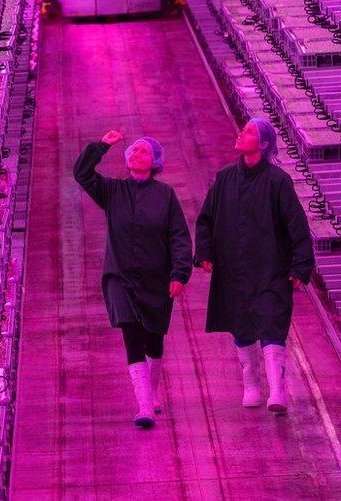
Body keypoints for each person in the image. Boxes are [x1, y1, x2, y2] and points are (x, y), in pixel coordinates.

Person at [74, 130, 193, 428]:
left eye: (144, 152)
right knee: (131, 332)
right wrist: (101, 146)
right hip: (120, 276)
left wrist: (179, 273)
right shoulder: (113, 192)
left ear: (155, 162)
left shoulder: (165, 196)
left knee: (154, 339)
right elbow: (82, 173)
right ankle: (143, 406)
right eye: (134, 151)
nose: (137, 154)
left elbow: (179, 236)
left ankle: (151, 394)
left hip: (156, 277)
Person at [194, 117, 314, 414]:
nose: (241, 134)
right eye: (243, 129)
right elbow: (206, 220)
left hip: (271, 268)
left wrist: (300, 267)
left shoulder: (278, 181)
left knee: (272, 323)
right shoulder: (224, 179)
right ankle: (252, 383)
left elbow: (297, 226)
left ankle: (277, 390)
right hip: (234, 269)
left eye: (249, 132)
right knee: (241, 323)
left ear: (263, 144)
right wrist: (205, 251)